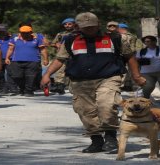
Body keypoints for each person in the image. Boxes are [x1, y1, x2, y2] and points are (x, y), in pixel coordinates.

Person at [40, 12, 146, 153]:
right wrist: (47, 74)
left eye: (92, 26)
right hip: (80, 81)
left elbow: (130, 57)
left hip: (109, 77)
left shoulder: (115, 38)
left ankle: (110, 137)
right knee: (85, 111)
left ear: (98, 24)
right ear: (78, 26)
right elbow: (60, 59)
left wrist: (137, 76)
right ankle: (96, 140)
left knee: (106, 105)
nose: (89, 29)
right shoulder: (70, 40)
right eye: (85, 27)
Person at [5, 22, 48, 97]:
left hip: (33, 61)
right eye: (23, 32)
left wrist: (45, 59)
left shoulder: (37, 39)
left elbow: (43, 50)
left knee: (30, 76)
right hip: (17, 60)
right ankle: (22, 88)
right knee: (16, 76)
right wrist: (7, 57)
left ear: (31, 32)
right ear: (20, 32)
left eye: (26, 33)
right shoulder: (14, 39)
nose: (24, 34)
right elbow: (10, 49)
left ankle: (29, 91)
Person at [136, 35, 160, 106]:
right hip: (146, 73)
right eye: (145, 41)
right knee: (148, 87)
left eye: (148, 41)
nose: (146, 43)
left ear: (154, 41)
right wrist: (137, 74)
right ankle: (145, 103)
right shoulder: (141, 51)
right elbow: (136, 62)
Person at [50, 18, 76, 95]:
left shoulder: (77, 33)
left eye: (69, 24)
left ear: (74, 24)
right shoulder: (60, 34)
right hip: (62, 54)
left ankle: (73, 86)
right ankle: (59, 86)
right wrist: (56, 44)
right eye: (65, 24)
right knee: (60, 69)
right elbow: (53, 43)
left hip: (74, 54)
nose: (67, 26)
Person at [118, 23, 144, 91]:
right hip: (133, 56)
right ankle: (134, 87)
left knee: (123, 72)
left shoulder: (121, 36)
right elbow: (139, 46)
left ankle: (123, 86)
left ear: (121, 29)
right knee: (133, 71)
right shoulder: (134, 36)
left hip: (123, 56)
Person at [0, 24, 18, 94]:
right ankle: (2, 88)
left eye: (2, 31)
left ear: (6, 30)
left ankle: (13, 88)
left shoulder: (13, 37)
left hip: (10, 58)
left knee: (11, 73)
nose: (1, 32)